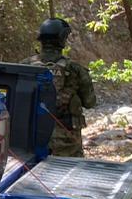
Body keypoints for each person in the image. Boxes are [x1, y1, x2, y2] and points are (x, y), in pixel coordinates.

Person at [24, 18, 96, 156]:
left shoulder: (24, 66)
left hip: (32, 134)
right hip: (67, 140)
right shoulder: (75, 69)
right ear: (62, 40)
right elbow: (90, 102)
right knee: (70, 172)